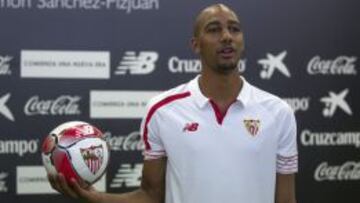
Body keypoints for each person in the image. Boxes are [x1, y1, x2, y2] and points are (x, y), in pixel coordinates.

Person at [48, 3, 298, 203]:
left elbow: (285, 200)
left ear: (242, 41)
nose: (226, 37)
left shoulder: (278, 112)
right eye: (213, 29)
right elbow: (150, 196)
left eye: (234, 29)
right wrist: (95, 198)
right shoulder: (162, 110)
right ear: (195, 45)